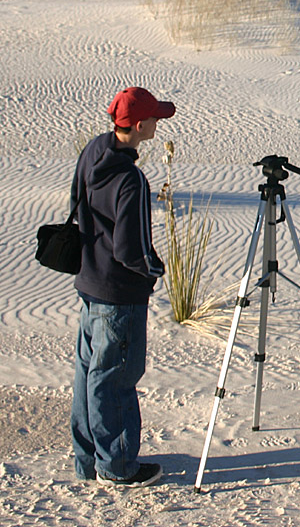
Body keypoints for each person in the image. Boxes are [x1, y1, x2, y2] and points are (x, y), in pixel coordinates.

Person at [71, 86, 175, 487]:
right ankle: (116, 465)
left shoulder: (94, 151)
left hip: (90, 280)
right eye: (153, 118)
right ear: (139, 125)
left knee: (89, 372)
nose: (157, 123)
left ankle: (88, 459)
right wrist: (153, 271)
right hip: (119, 294)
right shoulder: (131, 180)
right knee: (114, 377)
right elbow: (132, 250)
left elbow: (75, 204)